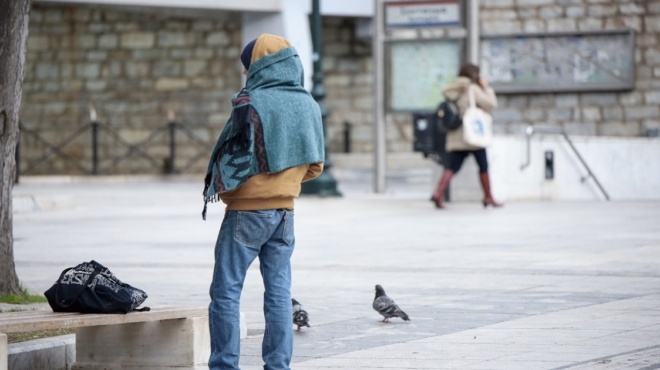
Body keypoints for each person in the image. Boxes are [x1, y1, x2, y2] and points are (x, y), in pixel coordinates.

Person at [202, 33, 325, 370]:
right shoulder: (308, 104)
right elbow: (316, 165)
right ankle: (277, 365)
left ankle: (225, 365)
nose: (245, 75)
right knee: (279, 295)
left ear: (259, 67)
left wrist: (233, 192)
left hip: (245, 213)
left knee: (226, 291)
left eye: (247, 67)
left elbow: (229, 161)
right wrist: (284, 182)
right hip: (285, 214)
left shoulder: (250, 101)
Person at [431, 63, 502, 209]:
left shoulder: (453, 89)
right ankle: (488, 197)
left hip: (456, 135)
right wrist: (486, 87)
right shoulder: (472, 89)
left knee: (452, 167)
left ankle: (438, 193)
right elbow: (492, 103)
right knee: (483, 166)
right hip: (473, 135)